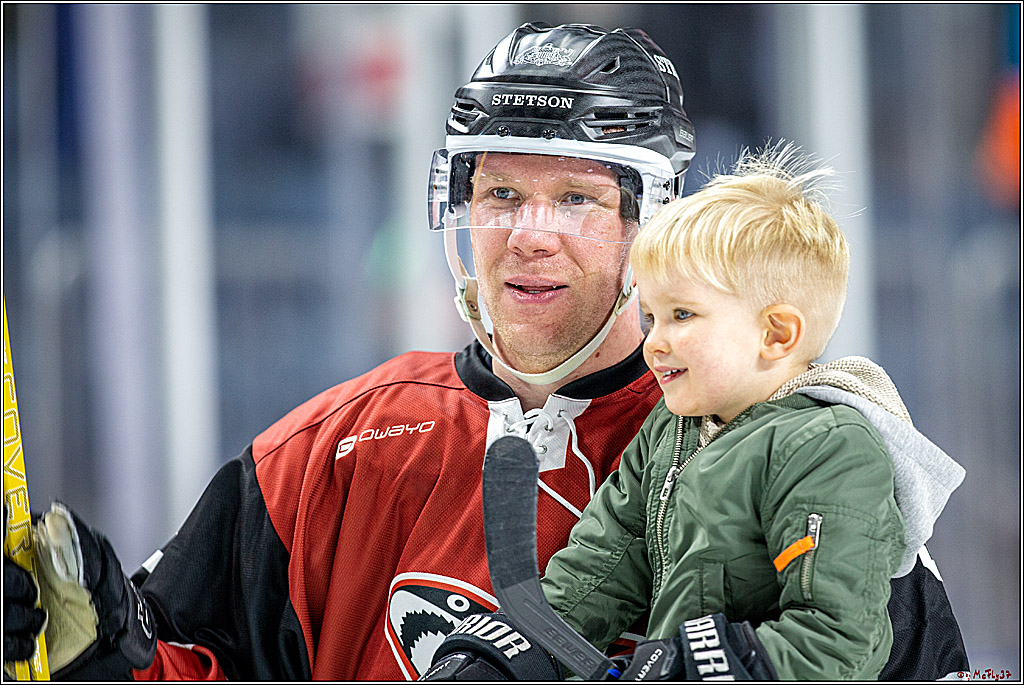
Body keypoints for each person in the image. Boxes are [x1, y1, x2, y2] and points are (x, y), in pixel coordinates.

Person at [2, 23, 967, 683]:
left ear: (654, 222)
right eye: (501, 195)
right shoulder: (333, 451)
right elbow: (183, 662)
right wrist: (97, 649)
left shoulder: (771, 445)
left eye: (577, 199)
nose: (529, 235)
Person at [424, 144, 968, 681]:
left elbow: (839, 639)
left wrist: (703, 666)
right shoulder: (672, 430)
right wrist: (507, 655)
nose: (655, 342)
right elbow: (601, 566)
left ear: (776, 334)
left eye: (682, 315)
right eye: (651, 317)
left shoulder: (826, 448)